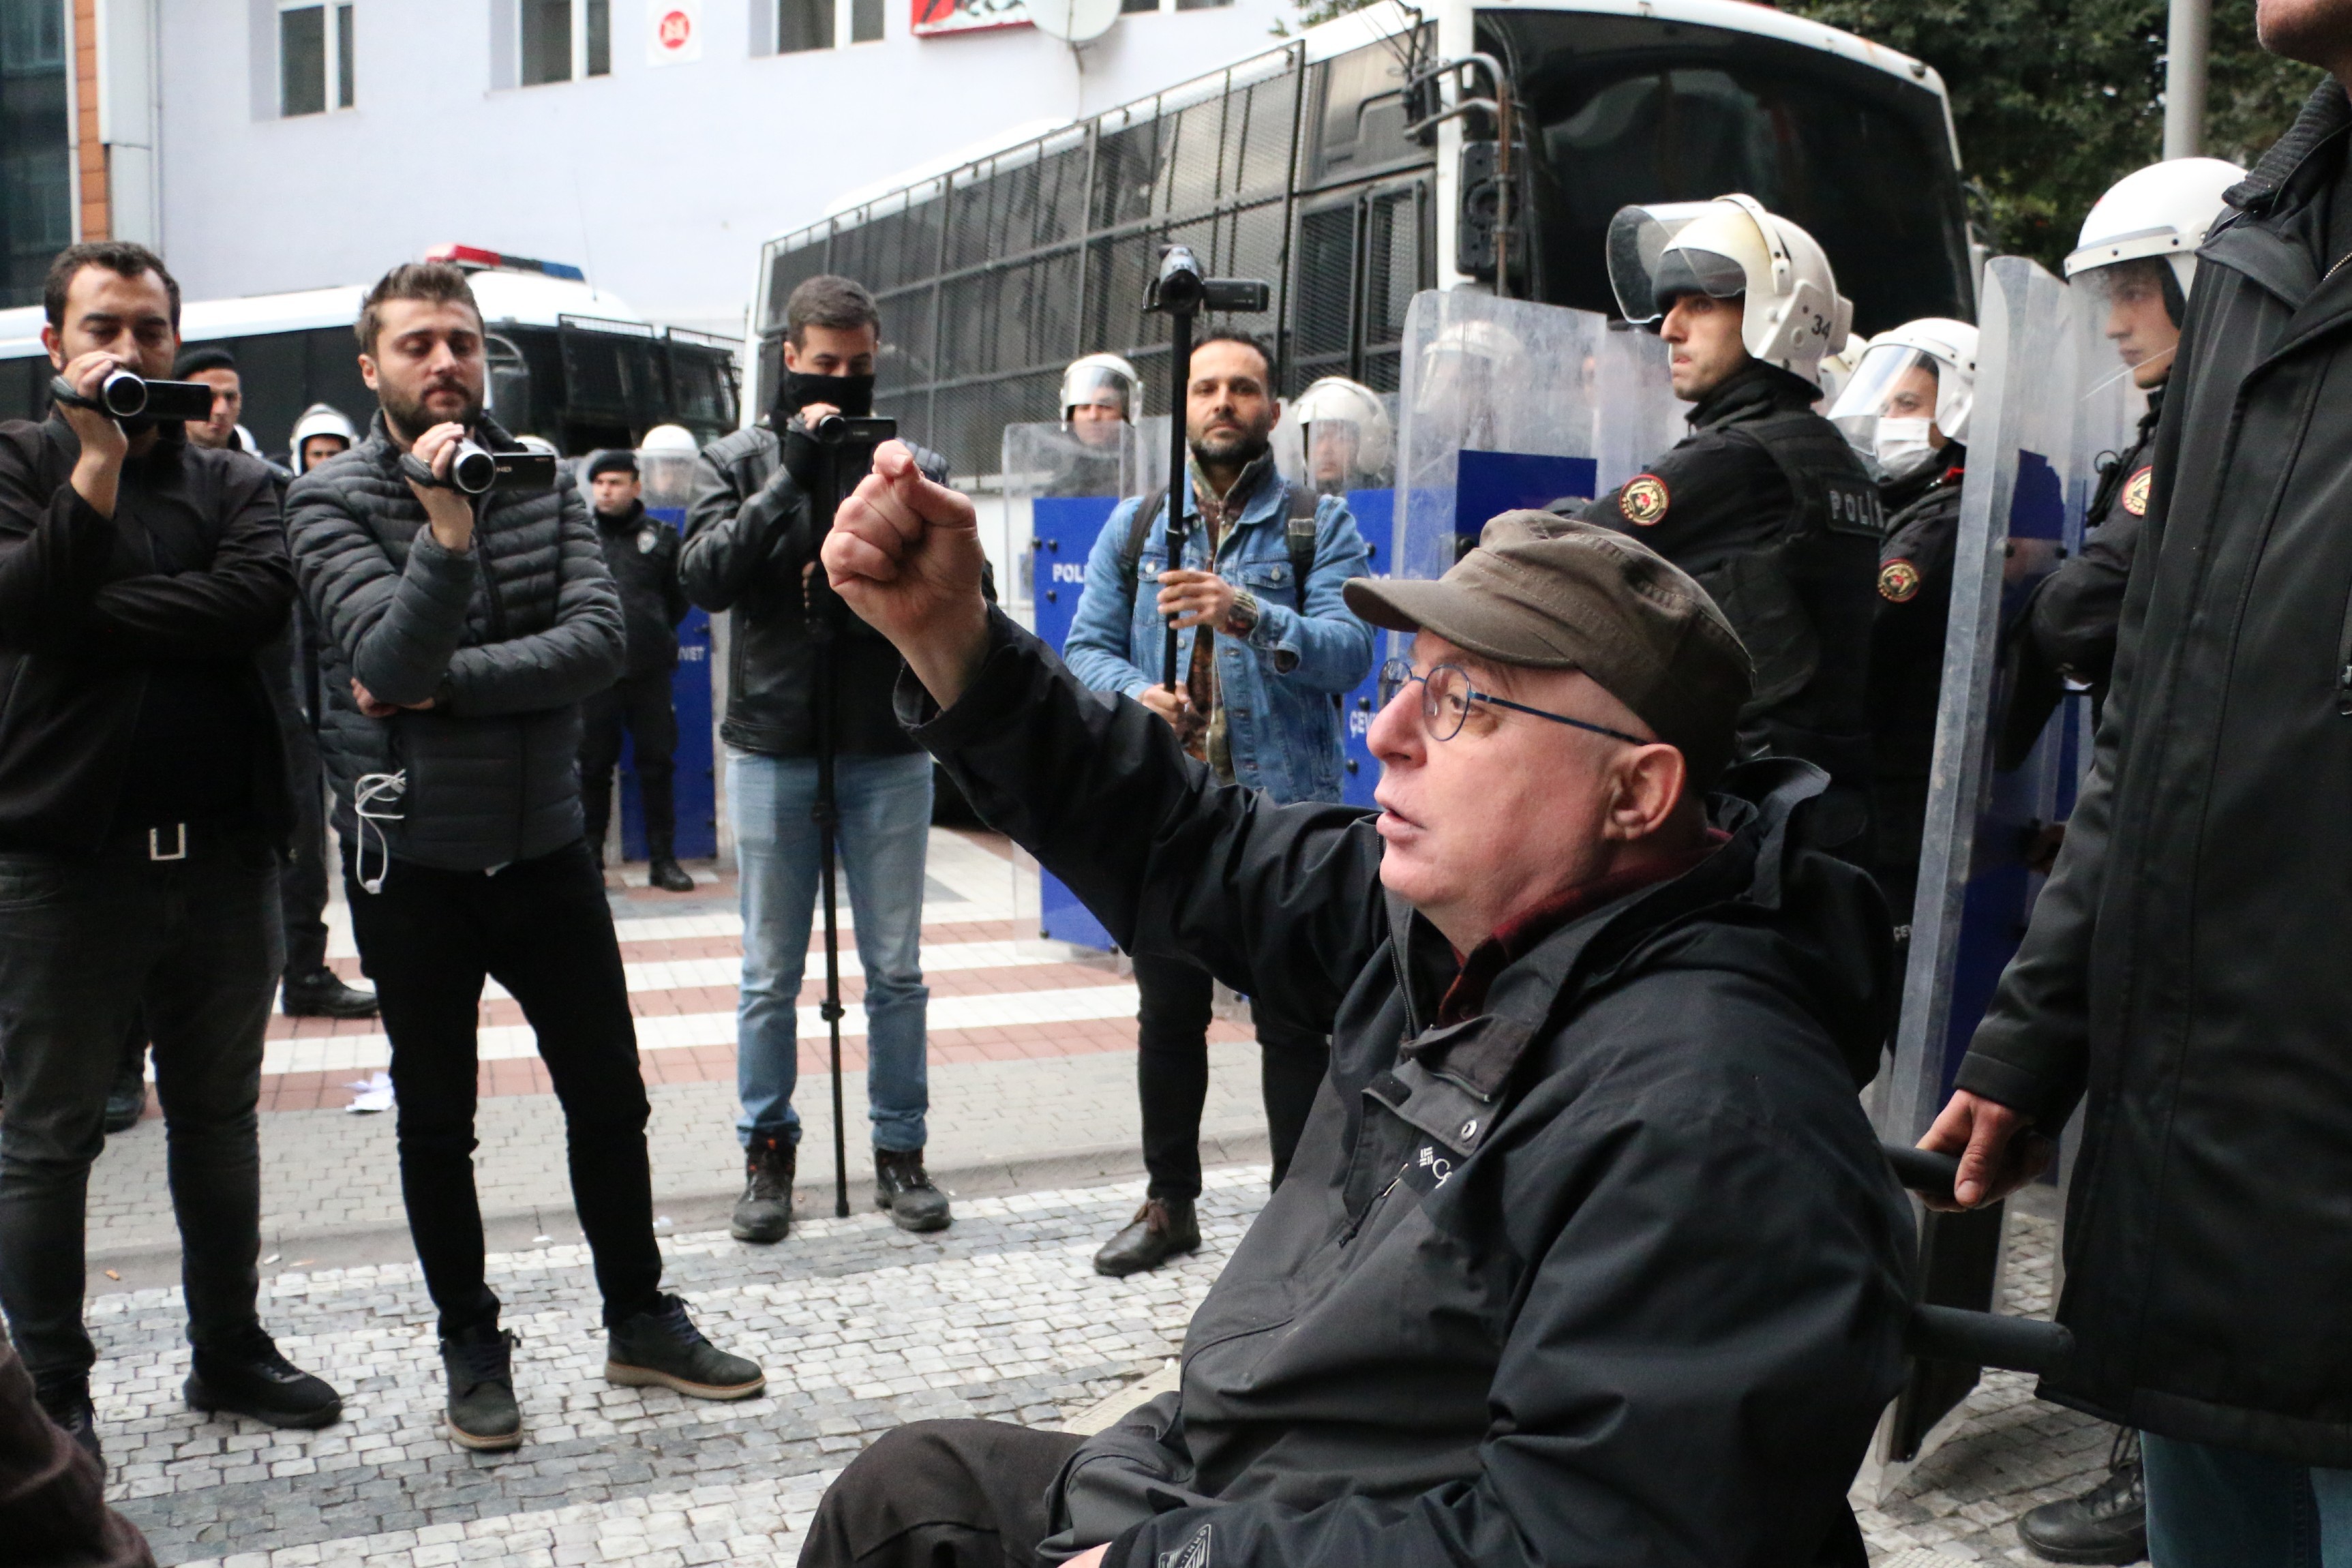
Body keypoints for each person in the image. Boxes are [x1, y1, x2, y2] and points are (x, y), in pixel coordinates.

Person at [799, 450, 1912, 1567]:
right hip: (1245, 1470)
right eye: (1409, 684)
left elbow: (1582, 1539)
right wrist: (955, 641)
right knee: (908, 1498)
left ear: (1638, 792)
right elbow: (1190, 844)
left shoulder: (1719, 1118)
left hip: (1323, 1526)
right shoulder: (1458, 925)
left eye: (1464, 703)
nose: (1386, 737)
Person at [1922, 33, 2352, 1562]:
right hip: (2208, 1211)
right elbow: (2161, 704)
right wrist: (2034, 1037)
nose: (2115, 324)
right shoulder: (2260, 250)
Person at [286, 261, 762, 1454]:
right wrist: (445, 539)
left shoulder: (545, 475)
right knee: (436, 1120)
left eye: (461, 341)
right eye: (417, 346)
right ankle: (470, 1342)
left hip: (547, 849)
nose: (444, 364)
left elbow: (601, 643)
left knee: (611, 1097)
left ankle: (639, 1317)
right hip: (415, 865)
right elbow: (378, 668)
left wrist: (443, 686)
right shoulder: (330, 501)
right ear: (372, 368)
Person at [0, 241, 343, 1462]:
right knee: (45, 1137)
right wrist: (93, 470)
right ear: (56, 347)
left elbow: (254, 603)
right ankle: (51, 1393)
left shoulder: (235, 483)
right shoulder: (16, 462)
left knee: (218, 1119)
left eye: (150, 331)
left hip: (223, 859)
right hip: (59, 867)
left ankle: (230, 1351)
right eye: (104, 329)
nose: (129, 353)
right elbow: (21, 606)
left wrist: (85, 612)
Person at [1972, 158, 2240, 1568]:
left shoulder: (2208, 434)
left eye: (2142, 285)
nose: (2123, 315)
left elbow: (2086, 604)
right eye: (2113, 290)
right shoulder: (2174, 427)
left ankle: (2148, 1454)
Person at [1062, 331, 1374, 1276]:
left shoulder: (1320, 524)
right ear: (1185, 408)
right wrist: (1134, 696)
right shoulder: (1140, 523)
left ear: (1272, 412)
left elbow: (1349, 654)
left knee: (1293, 1028)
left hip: (1283, 818)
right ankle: (1170, 1206)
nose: (1223, 403)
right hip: (1175, 812)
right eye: (1206, 388)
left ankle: (1296, 1224)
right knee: (1168, 1015)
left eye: (1243, 388)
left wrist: (1244, 611)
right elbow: (1082, 651)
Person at [682, 274, 955, 1243]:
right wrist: (792, 477)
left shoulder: (908, 459)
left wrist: (897, 503)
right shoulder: (737, 457)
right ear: (788, 359)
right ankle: (767, 1158)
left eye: (857, 362)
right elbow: (705, 578)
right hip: (772, 744)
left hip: (885, 742)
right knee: (767, 973)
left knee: (896, 970)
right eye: (822, 364)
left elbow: (967, 584)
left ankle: (901, 1152)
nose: (839, 379)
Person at [1574, 195, 1883, 861]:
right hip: (1821, 813)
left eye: (1702, 303)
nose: (1670, 328)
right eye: (1670, 304)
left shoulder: (1743, 458)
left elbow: (1576, 548)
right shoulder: (1828, 453)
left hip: (1756, 818)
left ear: (1782, 315)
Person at [1823, 318, 1978, 939]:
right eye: (1885, 404)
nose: (1891, 420)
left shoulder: (1938, 526)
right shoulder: (1915, 503)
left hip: (1901, 806)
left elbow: (1864, 634)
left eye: (1909, 404)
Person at [577, 449, 695, 892]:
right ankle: (591, 862)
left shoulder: (662, 537)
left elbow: (678, 599)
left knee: (657, 764)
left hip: (649, 674)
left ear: (636, 487)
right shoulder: (579, 536)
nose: (606, 491)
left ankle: (663, 862)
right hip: (595, 675)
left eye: (616, 482)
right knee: (592, 768)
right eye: (600, 483)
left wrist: (654, 632)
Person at [1286, 375, 1391, 496]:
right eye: (1316, 438)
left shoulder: (1384, 503)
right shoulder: (1288, 506)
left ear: (1366, 443)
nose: (1325, 450)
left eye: (1340, 438)